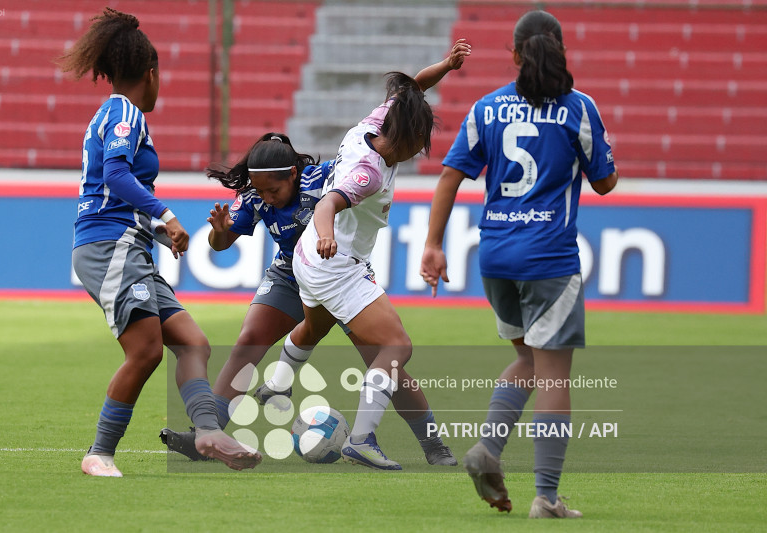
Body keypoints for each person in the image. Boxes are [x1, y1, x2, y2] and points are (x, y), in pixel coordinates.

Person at [420, 10, 617, 517]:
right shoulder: (579, 108)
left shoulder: (486, 109)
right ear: (561, 51)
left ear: (513, 54)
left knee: (528, 360)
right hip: (549, 257)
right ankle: (546, 497)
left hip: (495, 255)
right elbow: (604, 182)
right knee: (553, 375)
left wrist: (433, 245)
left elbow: (449, 176)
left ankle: (489, 448)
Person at [158, 133, 457, 466]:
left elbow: (360, 174)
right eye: (261, 191)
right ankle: (208, 435)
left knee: (387, 363)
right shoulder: (255, 196)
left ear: (293, 174)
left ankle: (433, 444)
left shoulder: (323, 179)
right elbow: (221, 243)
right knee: (249, 341)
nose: (267, 198)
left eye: (274, 190)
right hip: (289, 274)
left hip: (339, 276)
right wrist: (218, 231)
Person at [58, 7, 261, 477]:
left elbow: (109, 192)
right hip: (110, 247)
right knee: (146, 351)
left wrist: (154, 230)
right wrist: (166, 216)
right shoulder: (124, 112)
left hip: (126, 242)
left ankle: (207, 432)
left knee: (192, 343)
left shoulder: (112, 114)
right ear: (150, 73)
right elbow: (115, 176)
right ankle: (99, 453)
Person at [255, 40, 471, 470]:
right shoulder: (368, 174)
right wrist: (326, 236)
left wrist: (447, 66)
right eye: (421, 142)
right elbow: (326, 204)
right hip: (335, 265)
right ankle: (361, 439)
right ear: (408, 135)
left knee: (322, 333)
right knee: (395, 348)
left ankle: (278, 383)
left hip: (309, 261)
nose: (420, 150)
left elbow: (414, 86)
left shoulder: (376, 122)